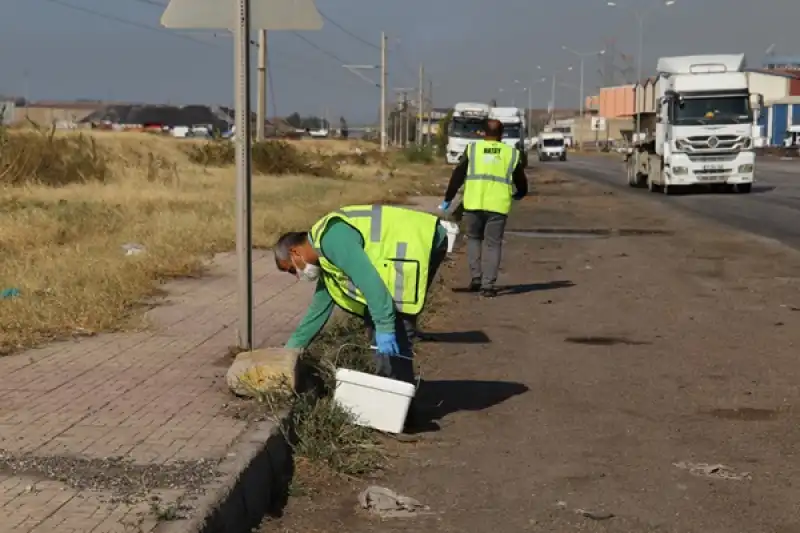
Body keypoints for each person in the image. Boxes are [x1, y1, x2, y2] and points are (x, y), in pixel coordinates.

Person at [274, 205, 449, 387]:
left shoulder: (331, 240)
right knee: (389, 325)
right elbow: (317, 312)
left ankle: (398, 397)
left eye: (292, 269)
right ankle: (397, 388)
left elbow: (369, 281)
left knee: (392, 326)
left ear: (295, 252)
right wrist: (289, 353)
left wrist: (385, 326)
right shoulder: (325, 261)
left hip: (422, 240)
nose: (297, 276)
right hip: (414, 244)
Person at [439, 119, 528, 297]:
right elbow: (520, 178)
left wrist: (448, 198)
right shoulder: (511, 153)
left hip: (473, 204)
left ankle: (476, 278)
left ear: (483, 133)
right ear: (501, 134)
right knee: (493, 245)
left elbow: (458, 174)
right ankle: (488, 286)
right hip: (497, 206)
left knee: (473, 240)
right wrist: (521, 192)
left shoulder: (473, 150)